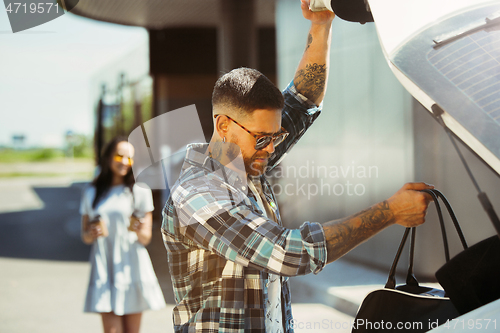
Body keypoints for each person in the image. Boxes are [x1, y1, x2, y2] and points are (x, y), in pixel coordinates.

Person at [161, 1, 433, 332]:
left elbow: (303, 99)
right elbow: (289, 253)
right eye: (262, 138)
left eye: (274, 136)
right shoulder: (198, 196)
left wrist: (320, 25)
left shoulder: (247, 162)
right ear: (223, 126)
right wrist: (388, 212)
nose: (272, 148)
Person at [80, 136, 166, 333]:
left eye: (130, 158)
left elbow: (146, 239)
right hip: (105, 265)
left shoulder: (140, 191)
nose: (125, 162)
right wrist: (91, 233)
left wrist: (138, 228)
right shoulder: (91, 192)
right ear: (109, 157)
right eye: (120, 156)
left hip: (131, 265)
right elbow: (85, 236)